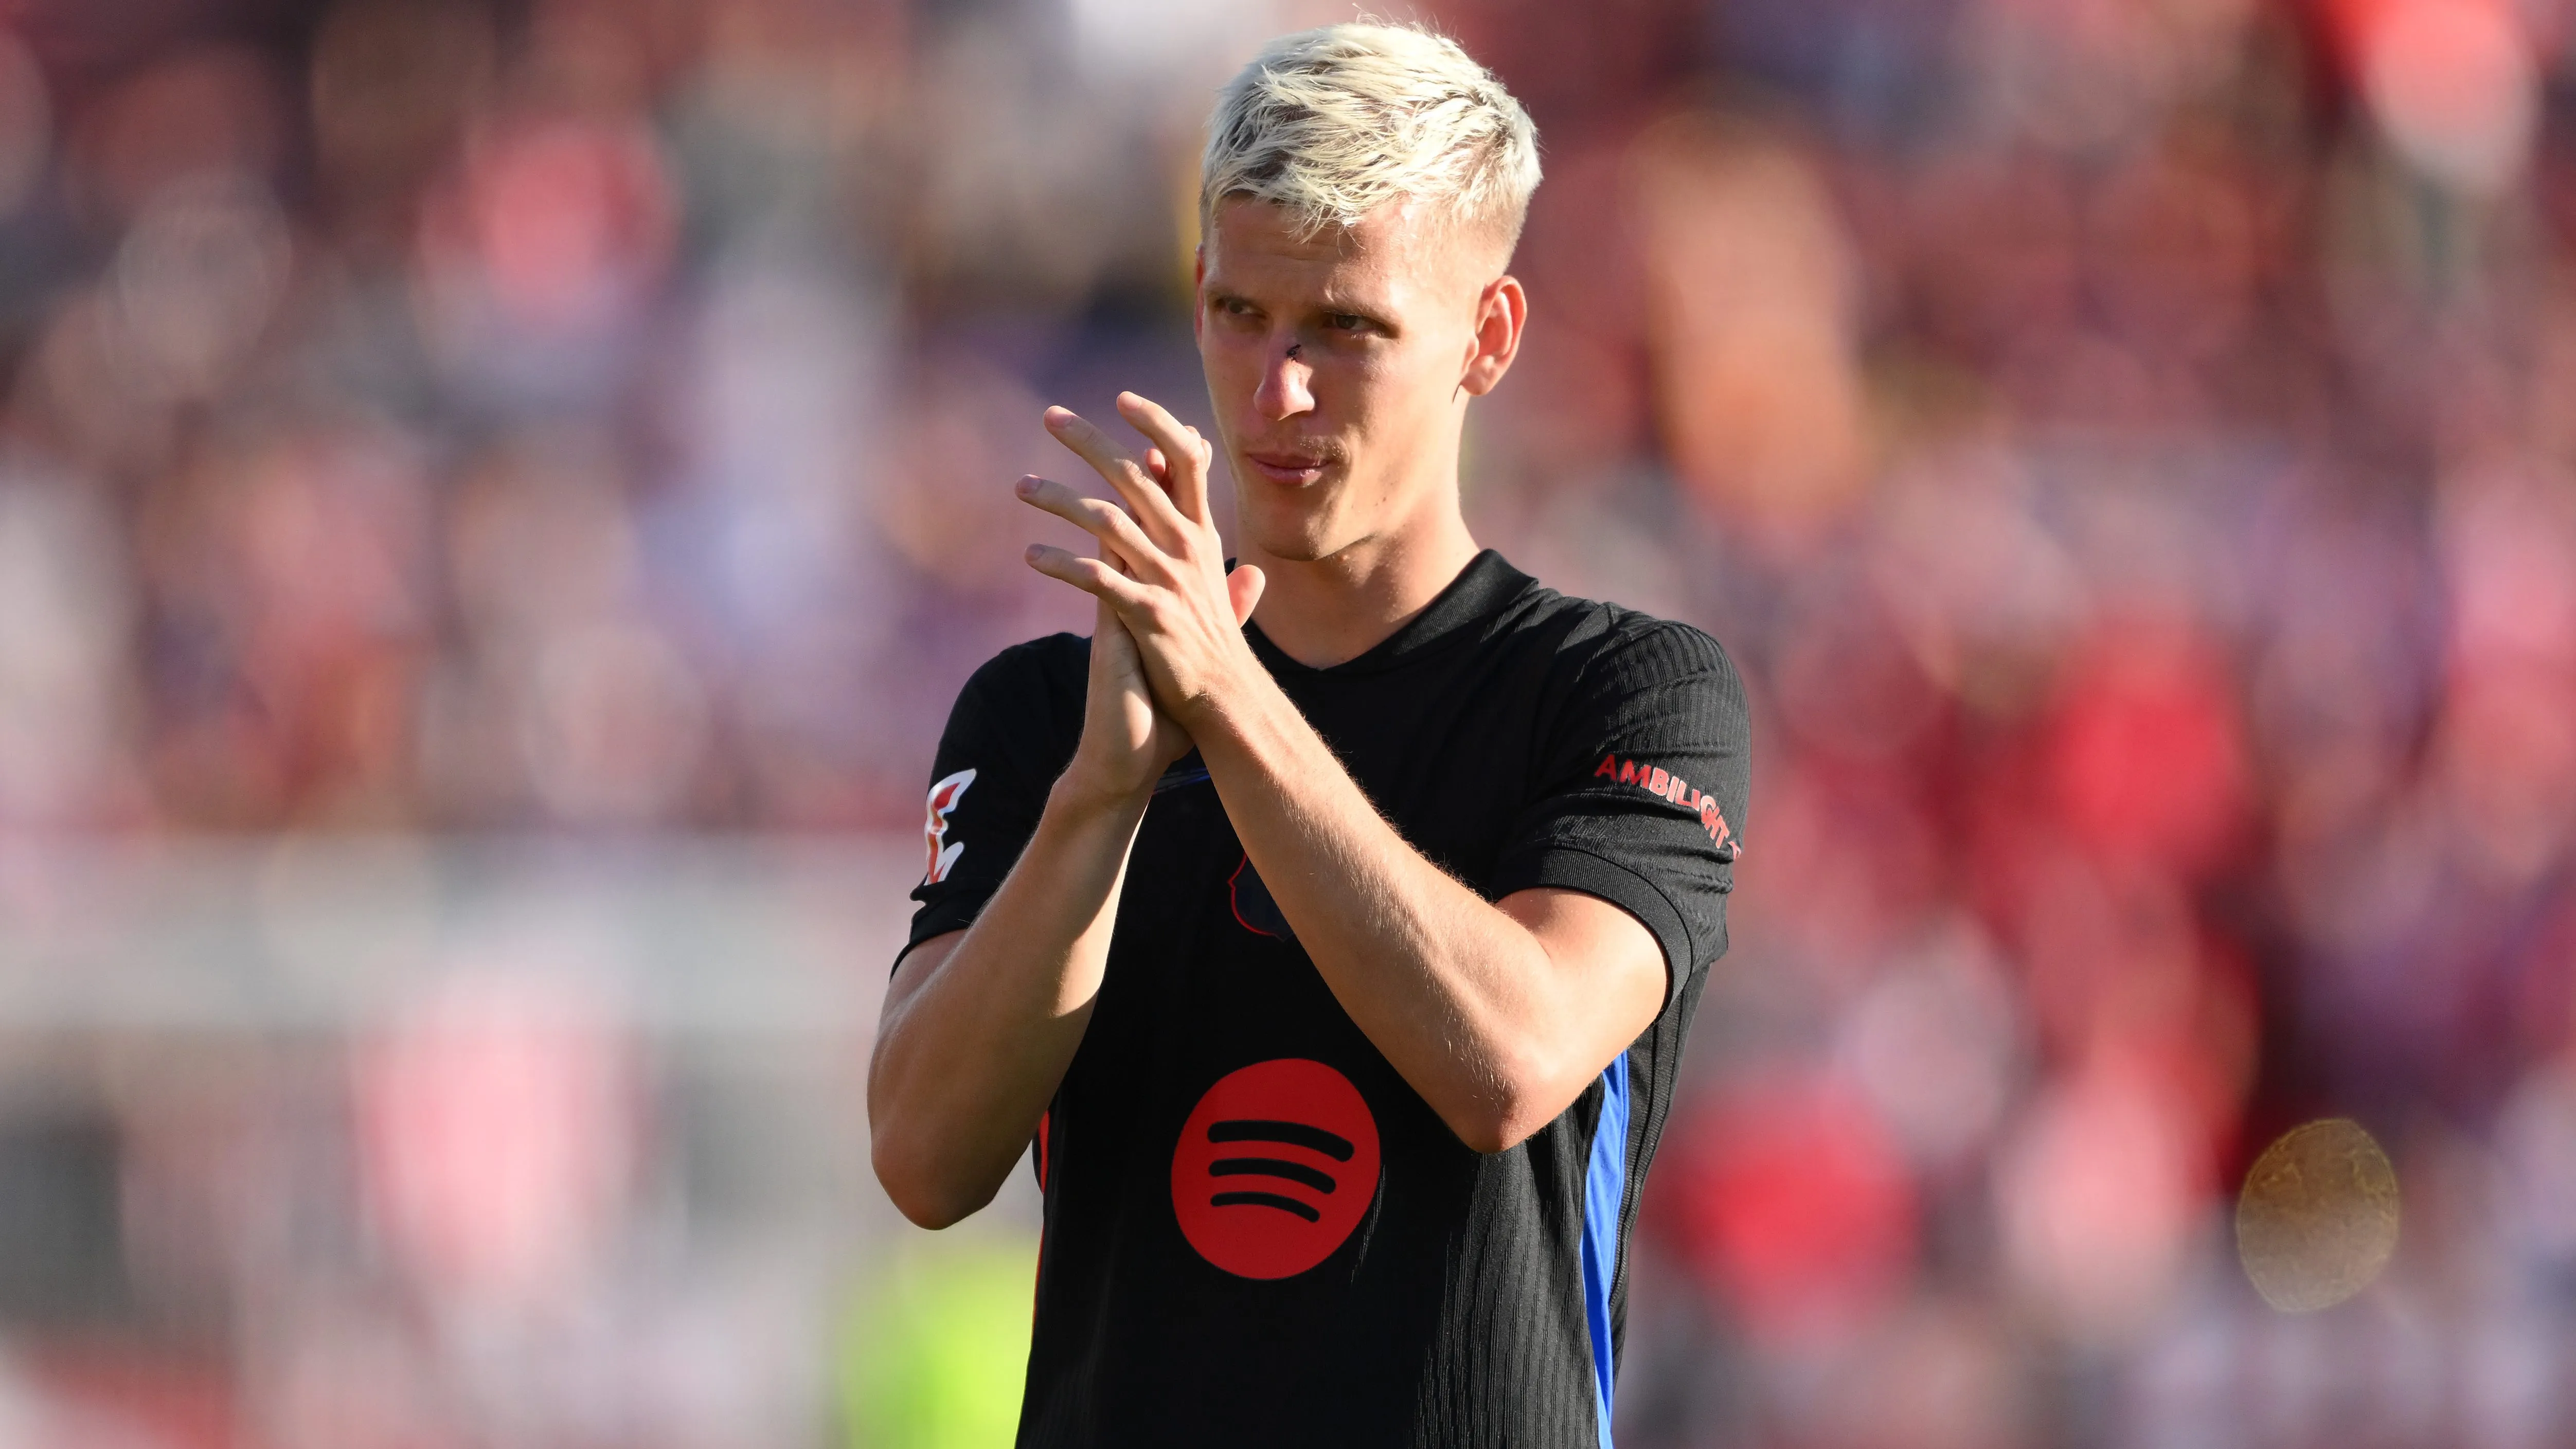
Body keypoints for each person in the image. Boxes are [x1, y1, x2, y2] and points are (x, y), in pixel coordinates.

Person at [868, 22, 1748, 1446]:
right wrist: (1102, 798)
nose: (1279, 391)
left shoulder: (1626, 694)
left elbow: (1508, 1062)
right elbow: (920, 1157)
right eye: (1239, 314)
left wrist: (1229, 698)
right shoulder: (1055, 715)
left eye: (1346, 328)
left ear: (1488, 337)